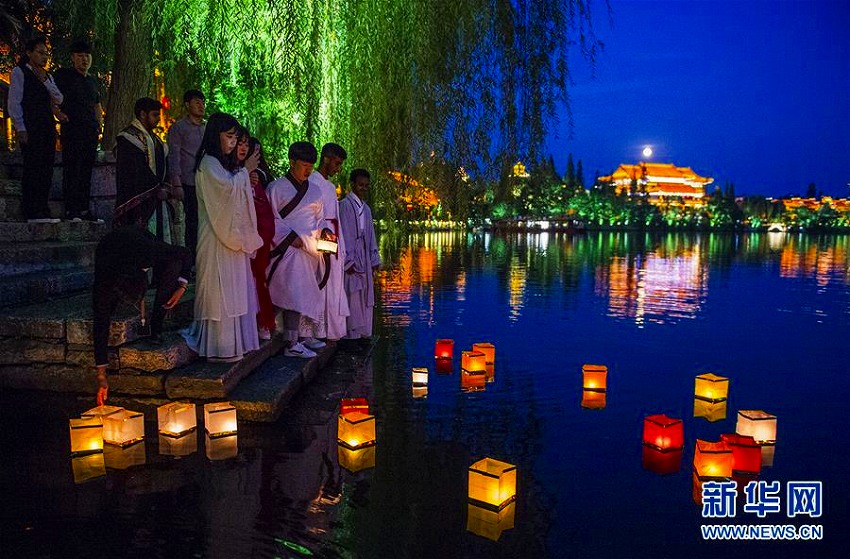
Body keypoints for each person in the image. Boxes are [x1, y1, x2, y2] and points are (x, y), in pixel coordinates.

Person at [181, 112, 263, 362]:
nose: (232, 143)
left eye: (235, 138)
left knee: (234, 287)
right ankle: (221, 346)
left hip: (230, 237)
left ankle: (235, 343)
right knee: (221, 291)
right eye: (229, 137)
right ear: (215, 136)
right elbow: (225, 195)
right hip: (216, 237)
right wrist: (244, 172)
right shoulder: (208, 164)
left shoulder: (223, 165)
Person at [92, 226, 191, 405]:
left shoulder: (150, 252)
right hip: (111, 248)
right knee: (103, 307)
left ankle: (157, 325)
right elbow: (100, 323)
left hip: (138, 239)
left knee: (173, 263)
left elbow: (185, 253)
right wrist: (101, 375)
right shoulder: (104, 281)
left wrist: (182, 286)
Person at [265, 142, 324, 358]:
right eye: (304, 165)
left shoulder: (315, 191)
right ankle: (283, 338)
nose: (308, 170)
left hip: (309, 249)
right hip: (286, 249)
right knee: (287, 292)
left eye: (311, 166)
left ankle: (294, 338)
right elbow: (269, 218)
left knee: (297, 294)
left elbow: (319, 220)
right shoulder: (276, 188)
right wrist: (289, 237)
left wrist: (325, 235)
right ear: (292, 163)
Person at [7, 36, 65, 223]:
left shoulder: (47, 76)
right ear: (29, 53)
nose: (44, 57)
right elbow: (14, 101)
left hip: (46, 126)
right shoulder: (20, 72)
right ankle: (32, 210)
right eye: (40, 53)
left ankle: (43, 208)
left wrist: (46, 81)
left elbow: (59, 99)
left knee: (46, 168)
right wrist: (20, 127)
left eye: (46, 54)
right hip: (31, 126)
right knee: (33, 167)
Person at [300, 143, 350, 347]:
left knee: (332, 283)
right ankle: (309, 330)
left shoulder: (328, 186)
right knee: (319, 282)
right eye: (337, 163)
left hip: (333, 235)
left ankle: (329, 329)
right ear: (327, 158)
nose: (338, 168)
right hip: (320, 236)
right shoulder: (311, 182)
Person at [54, 39, 103, 222]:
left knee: (86, 171)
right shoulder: (63, 75)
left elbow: (97, 104)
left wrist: (99, 125)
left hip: (90, 131)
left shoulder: (91, 81)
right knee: (72, 168)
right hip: (72, 129)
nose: (84, 60)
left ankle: (83, 209)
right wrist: (58, 114)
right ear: (73, 58)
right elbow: (52, 95)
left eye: (87, 56)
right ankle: (71, 209)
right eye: (80, 56)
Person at [114, 97, 175, 240]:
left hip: (158, 199)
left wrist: (165, 187)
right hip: (138, 202)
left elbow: (165, 166)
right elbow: (133, 171)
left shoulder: (157, 141)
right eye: (154, 115)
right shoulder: (128, 138)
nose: (158, 119)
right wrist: (154, 189)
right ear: (142, 114)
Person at [338, 169, 381, 341]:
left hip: (364, 252)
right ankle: (350, 334)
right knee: (352, 293)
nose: (363, 188)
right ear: (353, 184)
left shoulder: (367, 209)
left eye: (366, 186)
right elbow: (344, 233)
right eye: (360, 185)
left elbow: (371, 235)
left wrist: (374, 258)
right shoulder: (345, 205)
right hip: (352, 254)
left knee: (365, 295)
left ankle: (363, 332)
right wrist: (348, 261)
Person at [244, 137, 276, 340]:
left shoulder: (261, 176)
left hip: (261, 231)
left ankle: (261, 321)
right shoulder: (241, 174)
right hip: (247, 231)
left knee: (259, 277)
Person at [166, 89, 206, 255]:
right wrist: (176, 181)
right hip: (188, 181)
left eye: (203, 102)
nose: (201, 106)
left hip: (207, 181)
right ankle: (191, 260)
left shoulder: (207, 127)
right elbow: (174, 155)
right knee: (191, 221)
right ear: (187, 104)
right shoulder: (178, 128)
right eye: (197, 102)